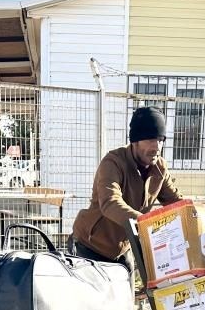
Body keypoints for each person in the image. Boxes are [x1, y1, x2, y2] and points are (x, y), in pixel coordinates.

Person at [71, 106, 184, 273]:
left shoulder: (159, 168)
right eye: (149, 139)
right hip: (89, 247)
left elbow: (177, 203)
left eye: (160, 139)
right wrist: (148, 223)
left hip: (123, 249)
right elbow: (110, 203)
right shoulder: (113, 163)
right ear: (135, 140)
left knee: (126, 299)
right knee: (93, 299)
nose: (156, 147)